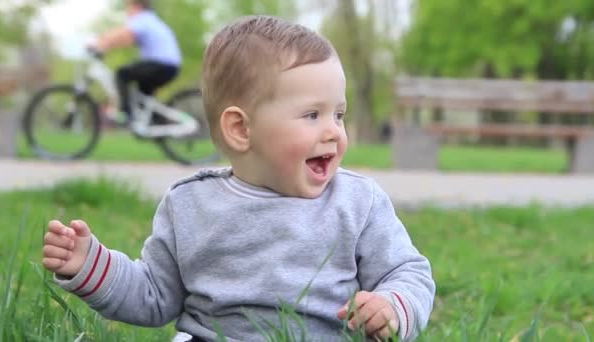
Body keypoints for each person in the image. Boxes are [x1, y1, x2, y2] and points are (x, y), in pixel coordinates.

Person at [42, 15, 435, 342]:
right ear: (241, 129)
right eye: (312, 115)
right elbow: (154, 295)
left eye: (339, 114)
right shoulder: (190, 205)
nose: (333, 131)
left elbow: (406, 271)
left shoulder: (357, 202)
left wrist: (392, 306)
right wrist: (89, 265)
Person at [91, 0, 182, 123]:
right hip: (168, 66)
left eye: (128, 7)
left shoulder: (143, 18)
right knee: (142, 98)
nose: (127, 11)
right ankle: (156, 121)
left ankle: (125, 114)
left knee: (122, 73)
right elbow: (125, 40)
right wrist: (107, 46)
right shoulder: (150, 20)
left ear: (138, 6)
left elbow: (121, 34)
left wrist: (99, 43)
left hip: (162, 64)